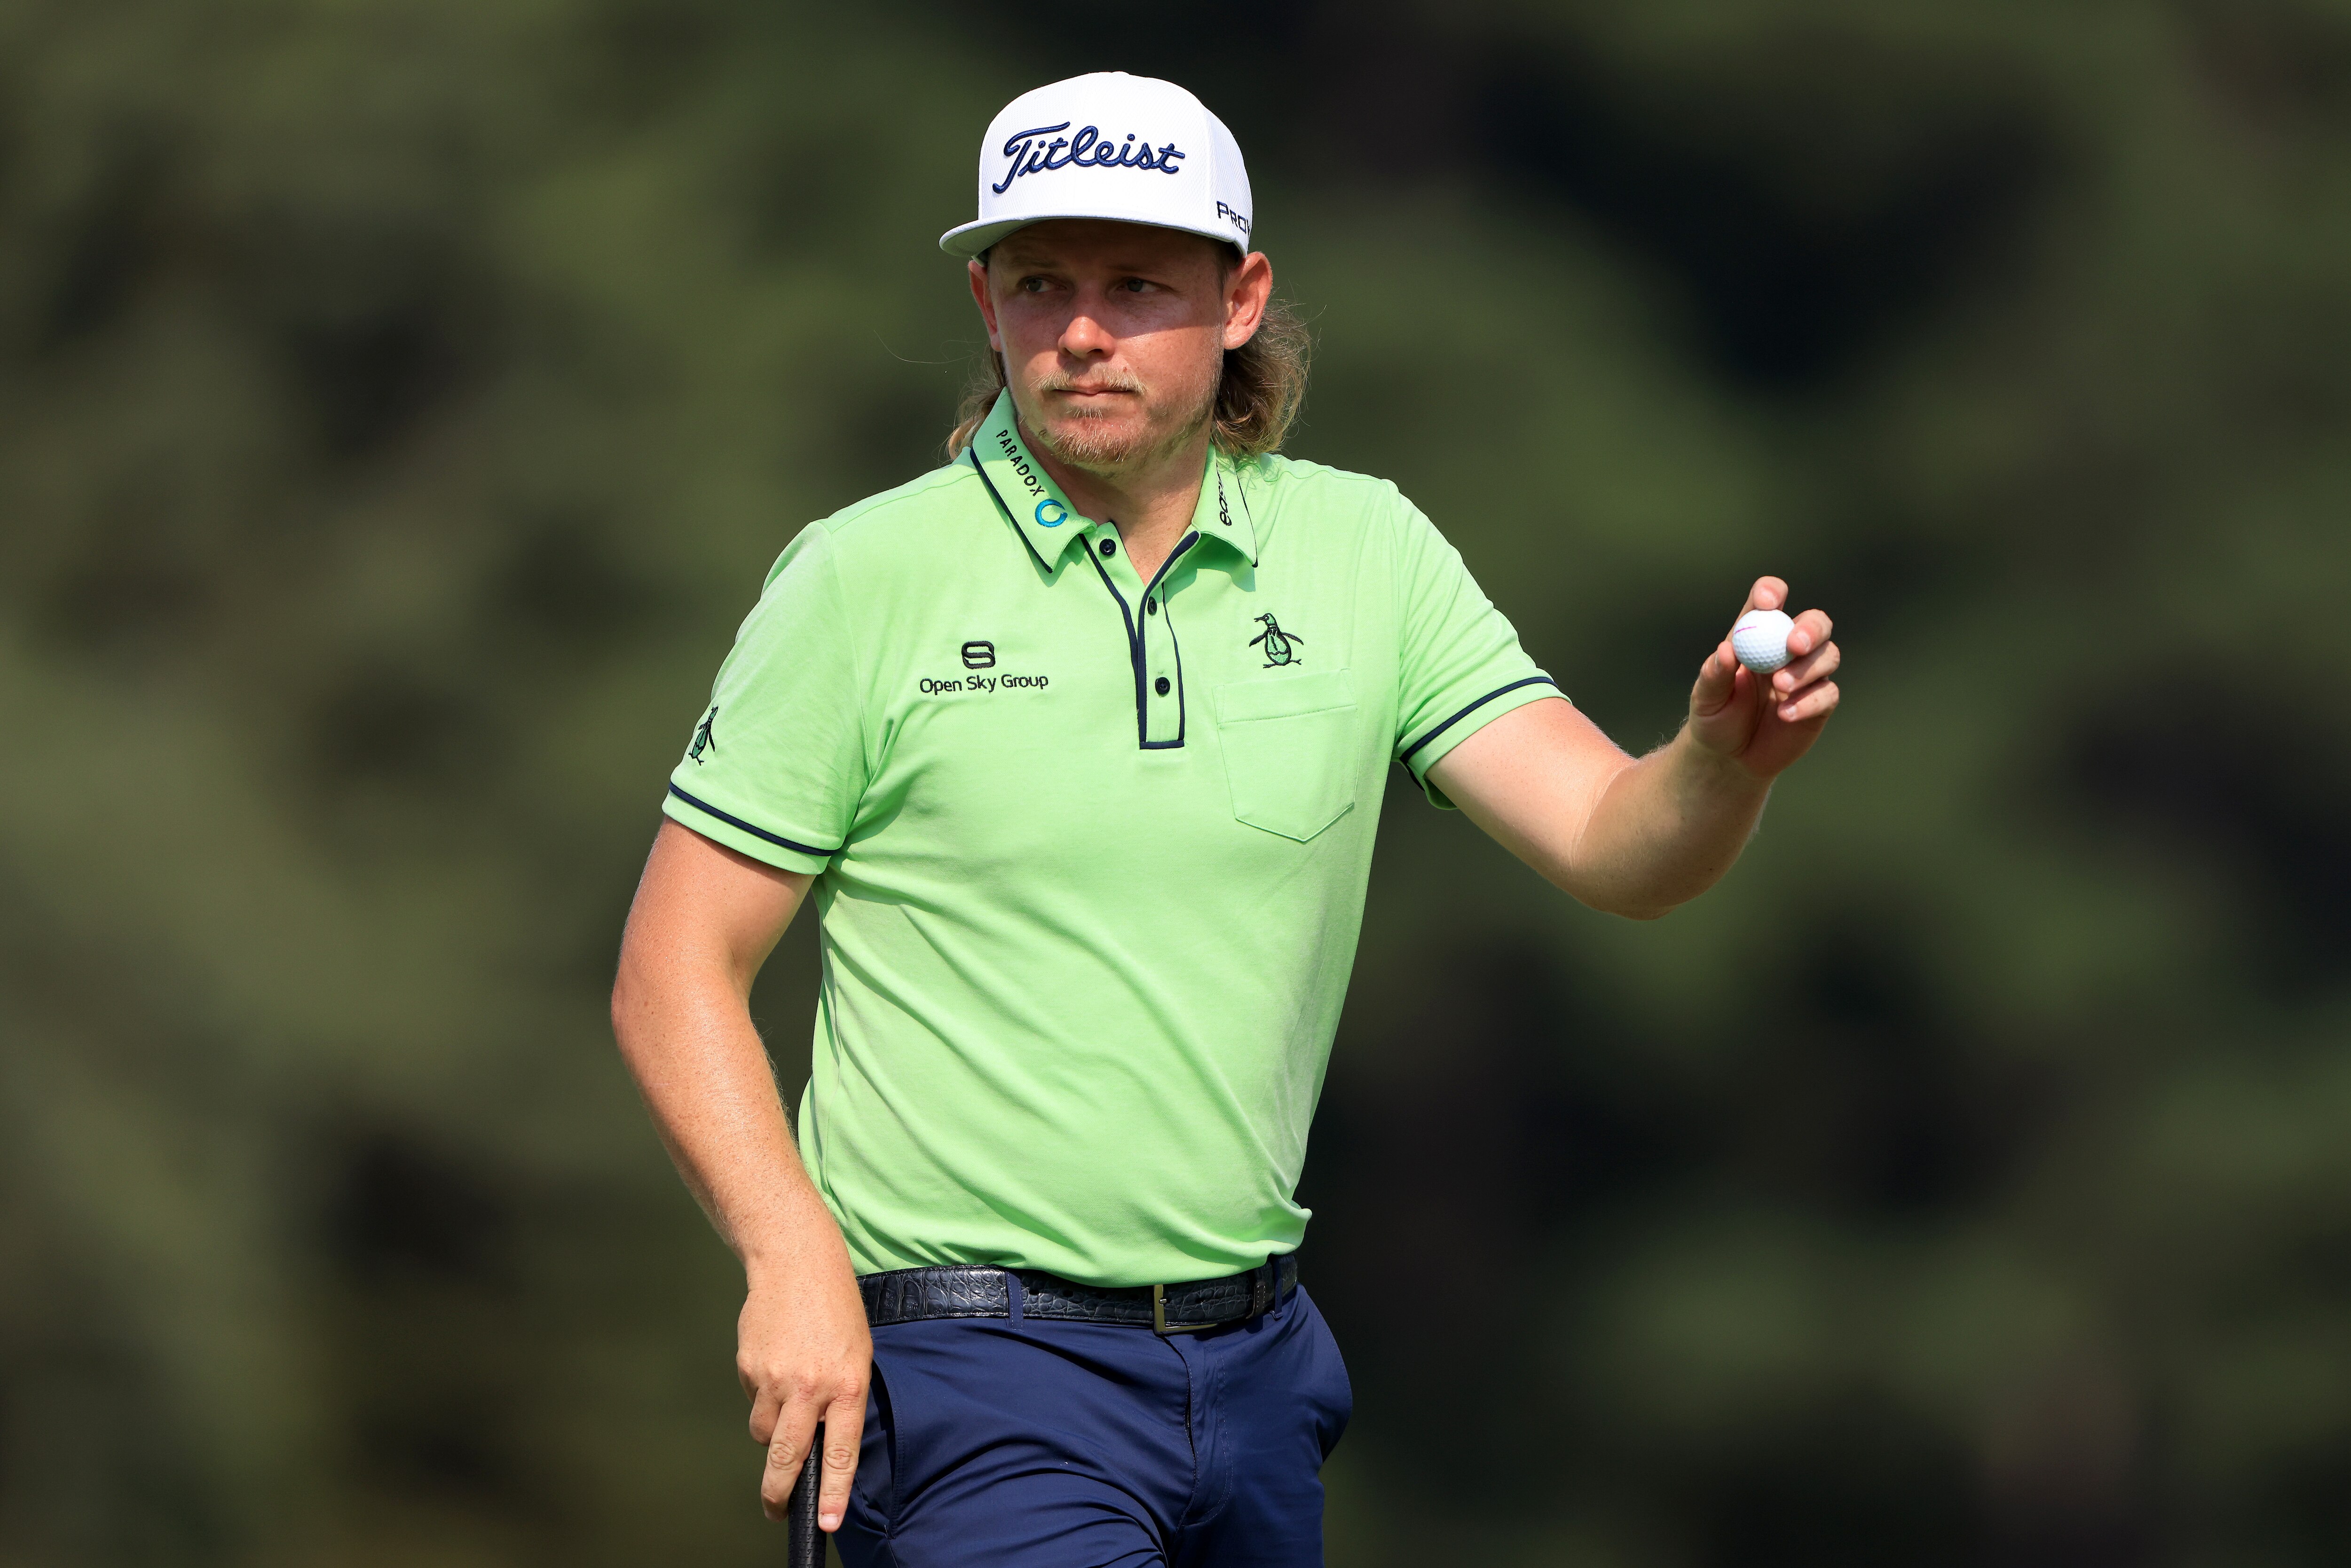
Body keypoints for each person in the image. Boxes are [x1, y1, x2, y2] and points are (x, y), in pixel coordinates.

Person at [610, 70, 1841, 1567]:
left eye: (1137, 285)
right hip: (969, 1377)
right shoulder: (862, 580)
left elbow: (1612, 843)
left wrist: (1721, 765)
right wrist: (788, 1251)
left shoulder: (1366, 553)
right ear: (986, 304)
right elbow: (675, 966)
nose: (1080, 329)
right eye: (1039, 284)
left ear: (1241, 298)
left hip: (1258, 1378)